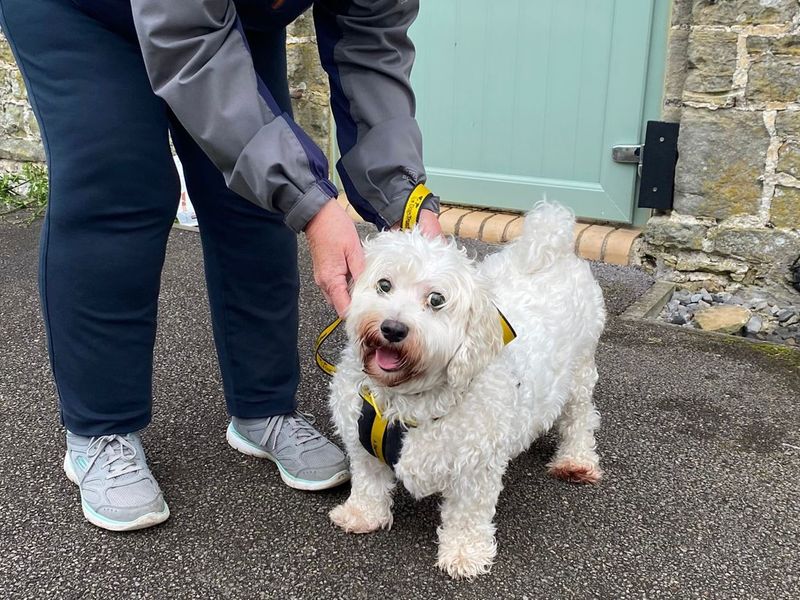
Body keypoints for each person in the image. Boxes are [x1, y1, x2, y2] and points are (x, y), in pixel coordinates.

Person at [0, 0, 441, 531]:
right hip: (86, 12)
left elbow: (369, 43)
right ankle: (100, 429)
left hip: (226, 15)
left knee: (255, 197)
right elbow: (187, 40)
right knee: (118, 191)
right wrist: (315, 206)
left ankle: (263, 407)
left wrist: (402, 194)